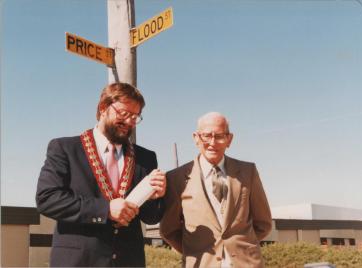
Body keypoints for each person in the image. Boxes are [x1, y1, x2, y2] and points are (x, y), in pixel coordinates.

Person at [36, 82, 166, 267]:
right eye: (124, 113)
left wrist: (155, 198)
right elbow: (47, 199)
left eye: (135, 116)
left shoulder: (146, 157)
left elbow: (151, 218)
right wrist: (105, 210)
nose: (130, 122)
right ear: (103, 108)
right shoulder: (65, 148)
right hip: (78, 262)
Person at [160, 112, 272, 268]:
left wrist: (241, 247)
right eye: (206, 135)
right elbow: (169, 230)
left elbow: (264, 223)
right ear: (196, 138)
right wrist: (195, 250)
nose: (212, 142)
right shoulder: (175, 178)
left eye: (219, 136)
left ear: (229, 139)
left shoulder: (248, 172)